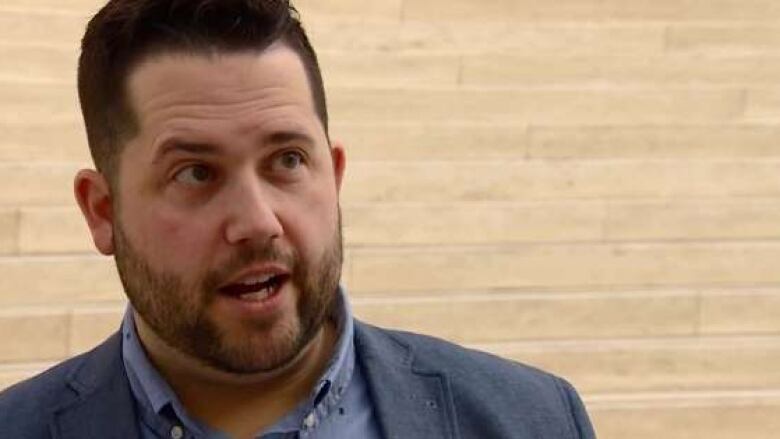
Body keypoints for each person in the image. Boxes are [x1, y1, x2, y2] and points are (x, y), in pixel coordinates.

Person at [0, 1, 596, 438]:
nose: (257, 223)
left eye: (287, 160)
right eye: (195, 174)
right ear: (103, 211)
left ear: (333, 176)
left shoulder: (530, 419)